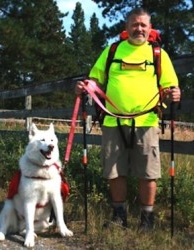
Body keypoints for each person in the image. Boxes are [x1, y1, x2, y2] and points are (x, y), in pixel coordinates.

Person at [75, 7, 181, 231]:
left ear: (150, 28)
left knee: (148, 173)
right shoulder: (112, 50)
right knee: (114, 171)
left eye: (143, 25)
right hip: (113, 122)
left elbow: (171, 86)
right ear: (127, 27)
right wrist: (86, 86)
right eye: (135, 24)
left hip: (146, 122)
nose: (139, 28)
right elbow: (95, 79)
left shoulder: (158, 54)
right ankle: (119, 217)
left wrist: (175, 93)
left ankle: (147, 220)